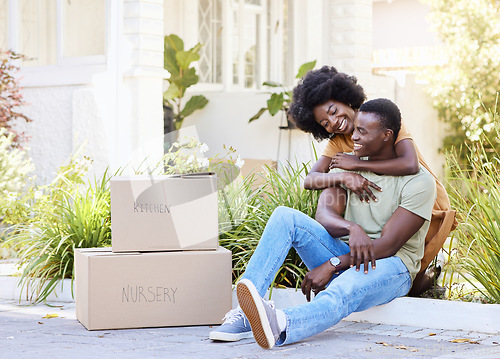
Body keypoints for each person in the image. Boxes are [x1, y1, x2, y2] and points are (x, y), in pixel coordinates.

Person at [210, 98, 436, 349]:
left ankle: (282, 323)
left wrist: (333, 264)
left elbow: (389, 245)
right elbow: (324, 215)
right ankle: (244, 313)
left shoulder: (419, 182)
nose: (354, 136)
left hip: (393, 266)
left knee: (346, 286)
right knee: (286, 216)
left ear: (386, 135)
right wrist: (352, 228)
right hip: (348, 253)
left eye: (362, 131)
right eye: (355, 129)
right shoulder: (347, 165)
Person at [288, 66, 455, 294]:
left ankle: (431, 284)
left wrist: (356, 164)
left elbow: (409, 164)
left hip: (420, 200)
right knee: (393, 260)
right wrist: (346, 177)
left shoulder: (381, 119)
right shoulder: (337, 142)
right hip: (387, 204)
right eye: (325, 123)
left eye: (334, 111)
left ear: (345, 98)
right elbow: (310, 180)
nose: (334, 121)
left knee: (413, 264)